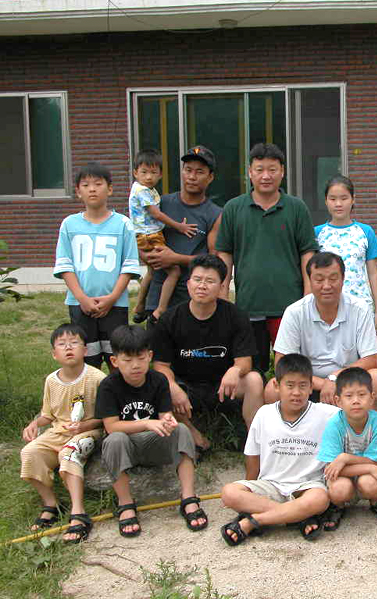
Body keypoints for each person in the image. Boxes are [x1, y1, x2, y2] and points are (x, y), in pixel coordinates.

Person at [96, 326, 207, 537]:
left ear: (150, 356)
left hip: (153, 443)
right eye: (127, 360)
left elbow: (165, 416)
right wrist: (147, 423)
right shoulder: (108, 386)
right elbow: (111, 426)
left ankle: (188, 498)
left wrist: (168, 422)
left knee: (182, 430)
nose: (135, 365)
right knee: (114, 439)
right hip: (126, 444)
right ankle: (126, 504)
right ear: (115, 361)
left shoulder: (158, 380)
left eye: (140, 358)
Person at [216, 143, 318, 372]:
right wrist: (222, 297)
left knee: (292, 367)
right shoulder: (233, 208)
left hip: (289, 306)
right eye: (259, 169)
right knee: (252, 369)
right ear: (249, 172)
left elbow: (307, 254)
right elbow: (225, 255)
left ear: (282, 172)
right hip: (248, 305)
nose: (266, 176)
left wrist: (308, 296)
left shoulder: (296, 208)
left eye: (272, 170)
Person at [219, 354, 336, 545]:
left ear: (311, 387)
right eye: (289, 385)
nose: (296, 392)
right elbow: (253, 455)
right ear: (276, 385)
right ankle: (298, 516)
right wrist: (249, 487)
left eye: (303, 385)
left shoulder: (326, 414)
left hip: (306, 487)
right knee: (229, 492)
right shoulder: (264, 414)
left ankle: (255, 521)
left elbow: (357, 415)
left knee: (320, 499)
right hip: (270, 485)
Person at [151, 254, 264, 452]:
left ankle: (254, 441)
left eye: (210, 281)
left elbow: (245, 360)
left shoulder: (236, 316)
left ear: (221, 287)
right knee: (160, 384)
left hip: (223, 387)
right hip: (186, 387)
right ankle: (192, 433)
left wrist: (235, 370)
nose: (202, 286)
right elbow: (160, 365)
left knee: (253, 380)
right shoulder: (170, 319)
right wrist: (172, 386)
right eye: (197, 279)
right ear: (188, 284)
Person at [265, 252, 377, 420]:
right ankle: (289, 435)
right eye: (319, 280)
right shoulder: (295, 312)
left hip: (349, 383)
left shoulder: (359, 309)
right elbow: (282, 362)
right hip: (306, 383)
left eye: (333, 279)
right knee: (272, 389)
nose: (326, 286)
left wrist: (335, 378)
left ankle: (373, 435)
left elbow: (371, 359)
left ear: (343, 279)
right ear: (310, 281)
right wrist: (323, 383)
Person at [20, 324, 106, 543]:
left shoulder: (97, 378)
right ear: (54, 354)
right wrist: (34, 424)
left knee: (68, 453)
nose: (68, 348)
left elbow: (107, 416)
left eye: (74, 343)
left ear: (85, 350)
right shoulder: (51, 381)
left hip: (89, 432)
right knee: (29, 453)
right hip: (57, 432)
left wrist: (84, 427)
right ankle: (51, 504)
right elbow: (47, 415)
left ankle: (78, 512)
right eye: (62, 344)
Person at [54, 163, 140, 369]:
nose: (92, 189)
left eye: (98, 184)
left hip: (115, 305)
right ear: (78, 192)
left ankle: (117, 391)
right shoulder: (69, 224)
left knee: (117, 358)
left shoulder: (123, 224)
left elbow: (129, 266)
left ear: (109, 189)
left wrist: (112, 298)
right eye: (86, 185)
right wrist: (82, 298)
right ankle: (88, 392)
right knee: (85, 360)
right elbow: (65, 266)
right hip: (80, 304)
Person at [141, 146, 222, 322]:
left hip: (192, 299)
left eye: (199, 172)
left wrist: (175, 258)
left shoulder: (215, 214)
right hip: (158, 297)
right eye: (188, 170)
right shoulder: (160, 204)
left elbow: (213, 260)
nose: (192, 176)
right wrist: (146, 256)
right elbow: (140, 234)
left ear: (210, 177)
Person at [317, 367, 377, 530]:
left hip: (365, 472)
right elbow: (332, 469)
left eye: (362, 395)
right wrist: (370, 467)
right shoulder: (334, 424)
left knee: (370, 484)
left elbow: (375, 461)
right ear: (338, 401)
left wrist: (345, 458)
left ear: (372, 398)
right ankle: (337, 505)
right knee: (339, 489)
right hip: (343, 474)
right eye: (349, 396)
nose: (356, 401)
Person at [128, 149, 198, 323]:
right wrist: (179, 226)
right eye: (144, 172)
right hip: (150, 236)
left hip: (143, 235)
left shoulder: (144, 189)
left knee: (151, 272)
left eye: (153, 172)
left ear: (160, 174)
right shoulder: (143, 191)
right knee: (174, 271)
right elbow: (156, 214)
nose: (148, 177)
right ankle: (160, 309)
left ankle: (139, 306)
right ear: (135, 173)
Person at [315, 175, 377, 333]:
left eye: (344, 198)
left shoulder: (365, 232)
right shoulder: (317, 233)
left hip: (360, 305)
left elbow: (373, 273)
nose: (338, 204)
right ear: (326, 201)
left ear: (353, 199)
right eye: (333, 199)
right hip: (327, 306)